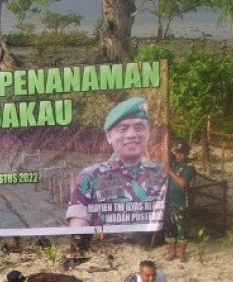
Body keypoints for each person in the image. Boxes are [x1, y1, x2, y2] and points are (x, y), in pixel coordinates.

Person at [68, 97, 169, 229]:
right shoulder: (90, 176)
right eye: (123, 129)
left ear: (148, 133)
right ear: (109, 136)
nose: (132, 135)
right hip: (108, 248)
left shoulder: (163, 173)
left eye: (139, 128)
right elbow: (78, 225)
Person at [164, 141, 196, 261]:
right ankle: (173, 252)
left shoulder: (190, 167)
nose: (179, 155)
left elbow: (182, 183)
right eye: (177, 153)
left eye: (181, 153)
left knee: (182, 229)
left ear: (187, 153)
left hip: (182, 202)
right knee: (170, 229)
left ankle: (182, 254)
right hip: (170, 201)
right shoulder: (175, 164)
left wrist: (170, 172)